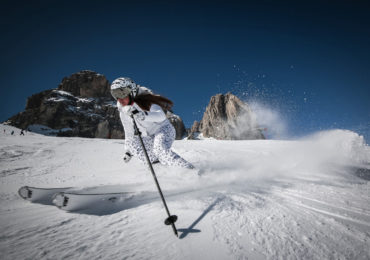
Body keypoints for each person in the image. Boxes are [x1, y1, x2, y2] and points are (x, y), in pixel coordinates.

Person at [111, 77, 194, 169]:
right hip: (149, 136)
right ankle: (159, 168)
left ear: (132, 91)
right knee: (132, 143)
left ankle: (189, 170)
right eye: (115, 95)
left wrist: (142, 115)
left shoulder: (145, 99)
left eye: (121, 93)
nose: (119, 99)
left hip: (164, 130)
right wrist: (128, 151)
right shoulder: (123, 112)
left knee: (160, 150)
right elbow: (128, 131)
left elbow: (160, 116)